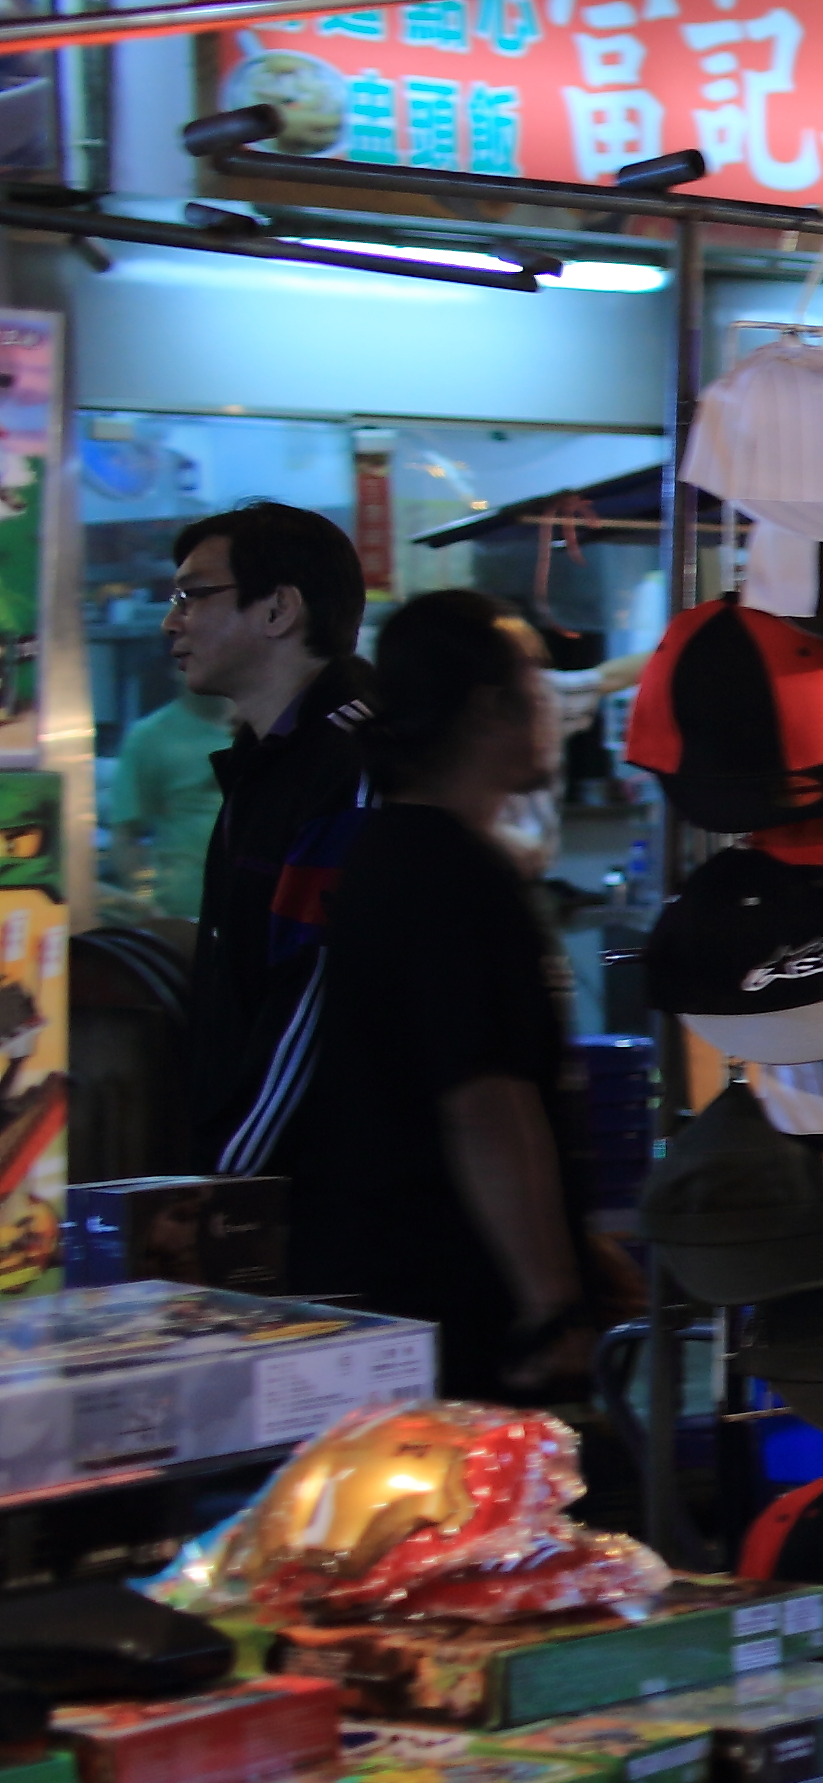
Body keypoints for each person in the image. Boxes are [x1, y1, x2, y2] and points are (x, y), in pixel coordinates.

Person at [283, 594, 611, 1402]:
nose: (551, 706)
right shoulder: (447, 874)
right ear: (489, 706)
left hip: (416, 1298)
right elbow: (485, 1105)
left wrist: (580, 1249)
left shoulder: (412, 852)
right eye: (535, 683)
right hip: (451, 1313)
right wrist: (550, 1304)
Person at [158, 500, 373, 1175]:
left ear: (279, 609)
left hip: (319, 1191)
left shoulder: (349, 761)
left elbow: (315, 994)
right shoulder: (265, 760)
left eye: (193, 596)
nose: (173, 622)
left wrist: (226, 1180)